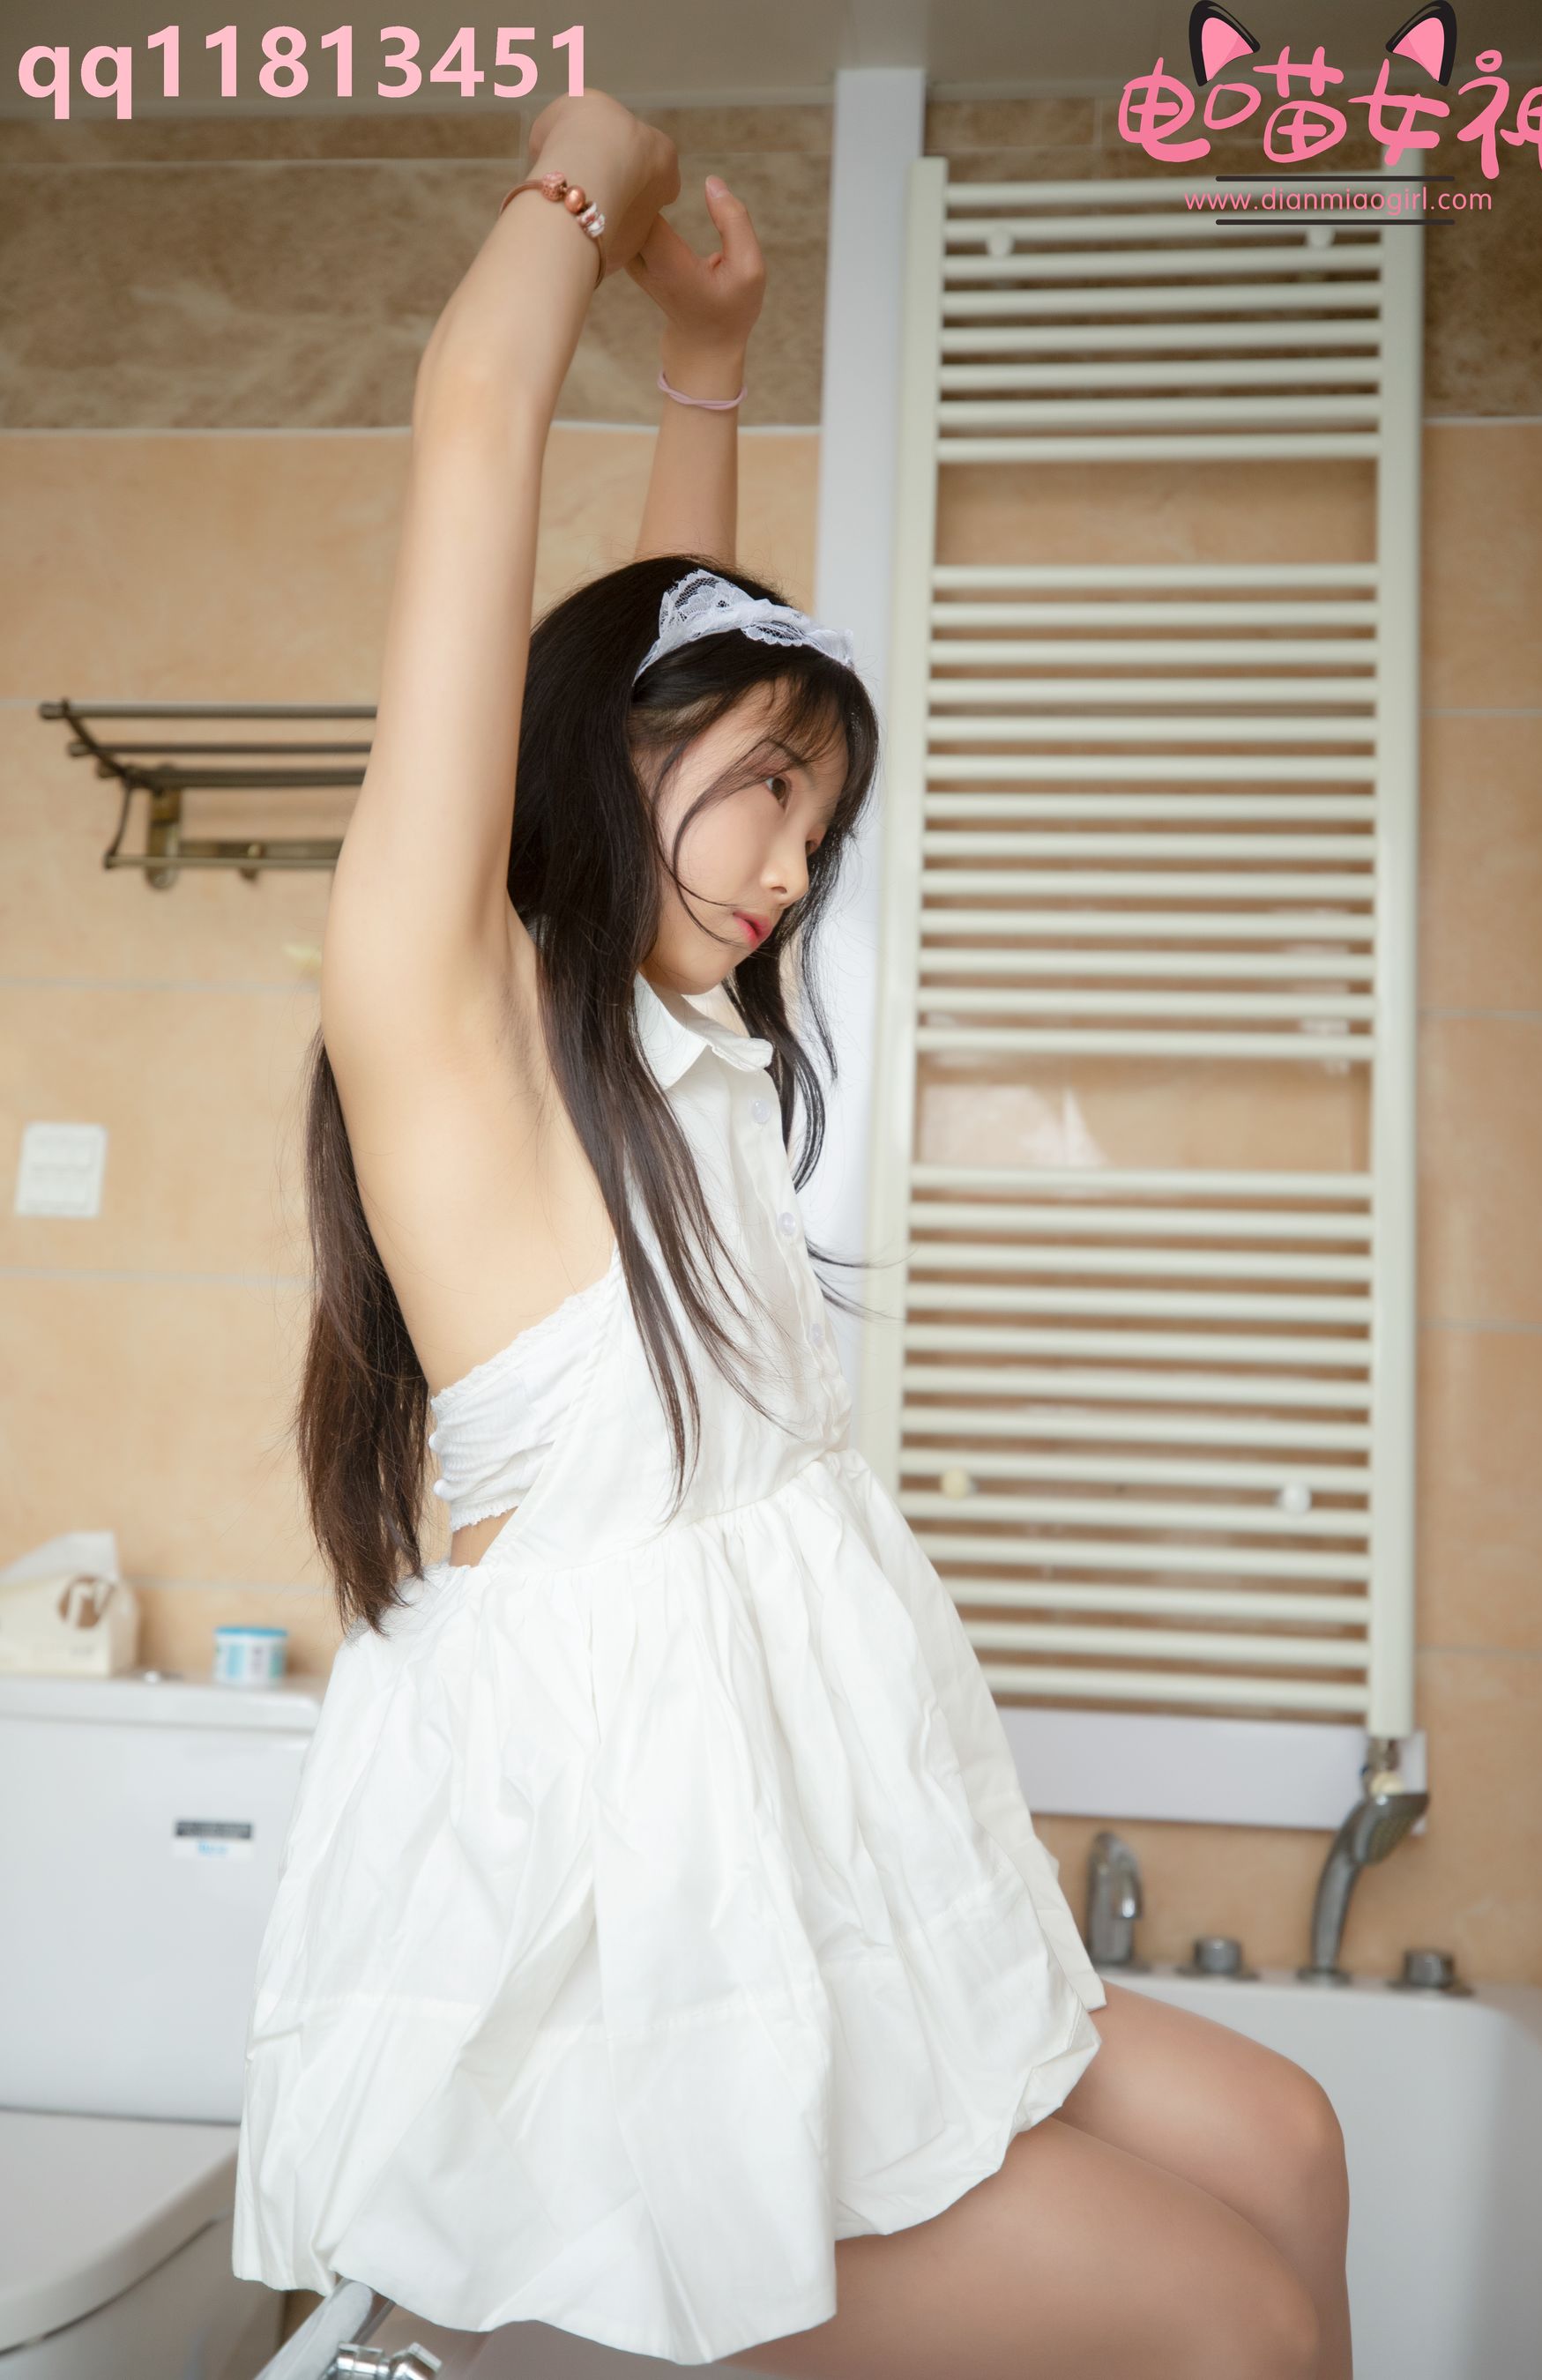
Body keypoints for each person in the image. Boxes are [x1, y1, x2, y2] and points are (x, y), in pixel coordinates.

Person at [231, 91, 1350, 2380]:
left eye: (819, 818)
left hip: (832, 1893)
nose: (788, 865)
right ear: (604, 767)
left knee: (1292, 2138)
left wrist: (712, 370)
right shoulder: (453, 1042)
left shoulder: (687, 1055)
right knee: (1226, 2313)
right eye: (763, 791)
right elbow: (478, 434)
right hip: (637, 1996)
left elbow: (672, 671)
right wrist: (583, 181)